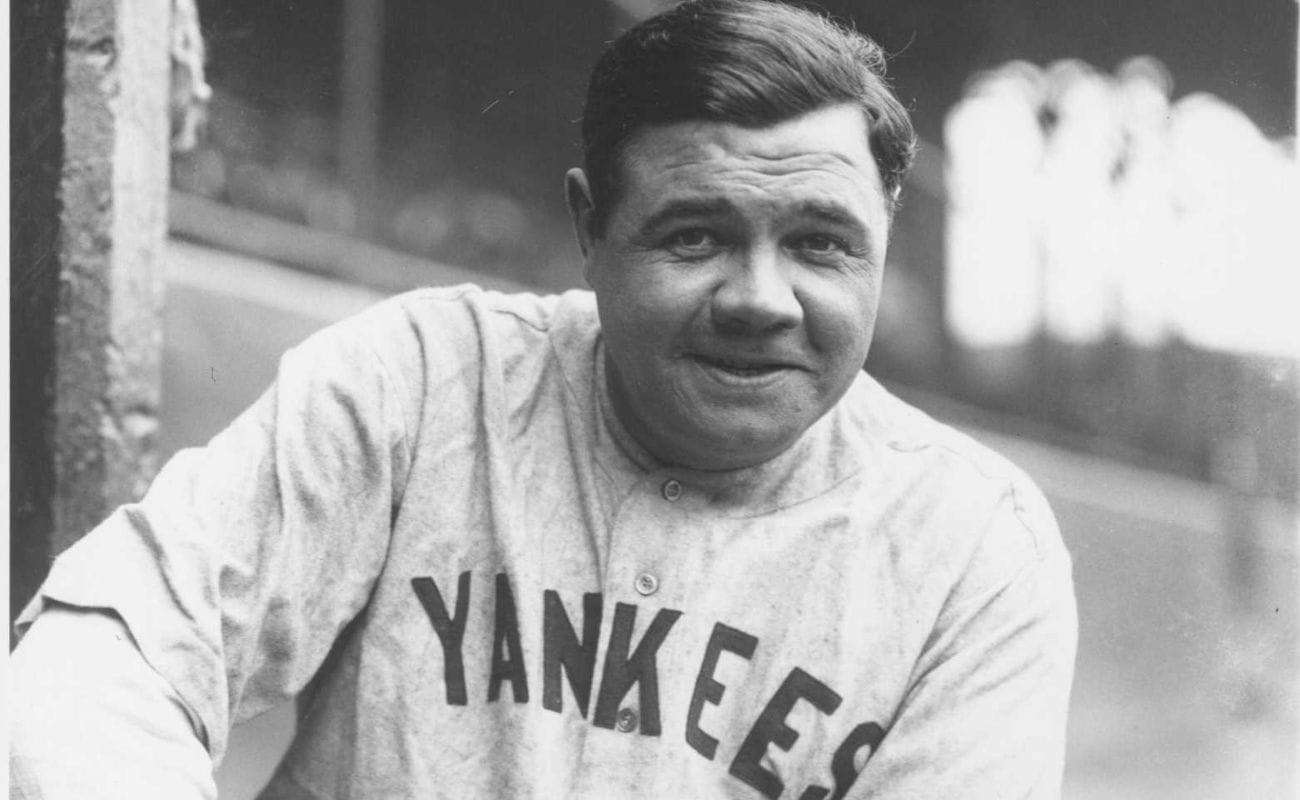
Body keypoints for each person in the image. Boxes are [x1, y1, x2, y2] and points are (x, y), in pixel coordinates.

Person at [10, 1, 1077, 797]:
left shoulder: (972, 549)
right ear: (589, 229)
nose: (761, 299)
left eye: (819, 244)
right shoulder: (426, 380)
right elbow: (108, 646)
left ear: (882, 249)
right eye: (694, 233)